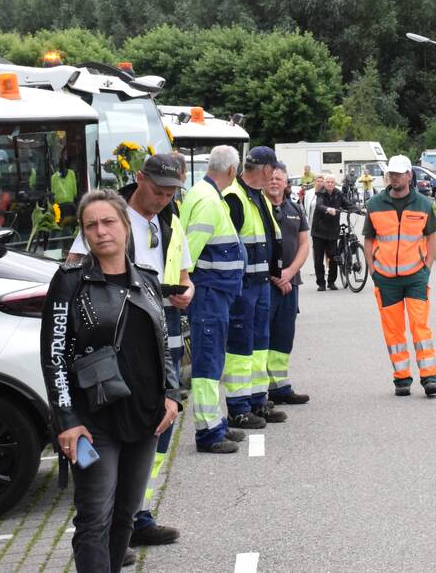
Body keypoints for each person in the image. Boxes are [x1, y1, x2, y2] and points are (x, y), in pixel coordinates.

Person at [41, 189, 180, 572]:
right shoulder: (69, 282)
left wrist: (172, 396)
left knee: (125, 517)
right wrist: (67, 421)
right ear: (84, 234)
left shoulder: (148, 281)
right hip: (93, 420)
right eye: (91, 226)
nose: (101, 232)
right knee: (94, 519)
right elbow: (54, 357)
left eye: (108, 222)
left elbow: (162, 346)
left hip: (146, 416)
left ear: (125, 226)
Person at [66, 155, 193, 549]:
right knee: (102, 486)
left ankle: (139, 514)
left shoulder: (169, 221)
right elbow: (72, 280)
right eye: (157, 190)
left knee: (155, 434)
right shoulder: (108, 219)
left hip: (158, 339)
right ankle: (112, 527)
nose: (163, 198)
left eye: (171, 193)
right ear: (139, 179)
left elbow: (183, 275)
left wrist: (184, 292)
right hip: (110, 354)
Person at [179, 145, 246, 453]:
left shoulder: (203, 193)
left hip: (213, 292)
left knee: (213, 358)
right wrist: (184, 284)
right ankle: (208, 433)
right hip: (208, 292)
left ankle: (215, 422)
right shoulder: (208, 200)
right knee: (208, 362)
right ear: (232, 170)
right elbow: (189, 251)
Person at [363, 155, 436, 396]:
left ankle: (429, 377)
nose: (394, 177)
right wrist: (373, 270)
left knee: (420, 327)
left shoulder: (423, 204)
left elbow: (430, 238)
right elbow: (368, 239)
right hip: (386, 279)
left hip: (416, 276)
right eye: (391, 174)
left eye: (399, 173)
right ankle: (402, 379)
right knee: (394, 332)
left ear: (409, 175)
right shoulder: (375, 204)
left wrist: (426, 268)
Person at [223, 146, 287, 428]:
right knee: (240, 346)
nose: (274, 175)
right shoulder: (234, 198)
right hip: (243, 287)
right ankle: (238, 406)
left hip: (260, 286)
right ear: (264, 169)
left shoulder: (257, 197)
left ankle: (257, 401)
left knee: (260, 344)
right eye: (272, 170)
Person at [265, 163, 312, 405]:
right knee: (262, 337)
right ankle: (256, 392)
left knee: (284, 336)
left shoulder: (295, 209)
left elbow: (304, 244)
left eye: (278, 178)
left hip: (290, 283)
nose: (274, 182)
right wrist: (276, 275)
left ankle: (280, 387)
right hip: (265, 283)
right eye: (270, 178)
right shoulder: (258, 208)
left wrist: (290, 272)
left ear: (286, 183)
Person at [311, 173, 349, 291]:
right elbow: (319, 205)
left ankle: (331, 282)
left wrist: (359, 210)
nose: (330, 184)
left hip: (333, 231)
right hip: (319, 231)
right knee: (319, 258)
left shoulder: (338, 194)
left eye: (332, 182)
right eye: (328, 182)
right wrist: (328, 209)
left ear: (335, 183)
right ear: (324, 183)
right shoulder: (320, 194)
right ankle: (321, 283)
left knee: (333, 257)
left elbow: (347, 204)